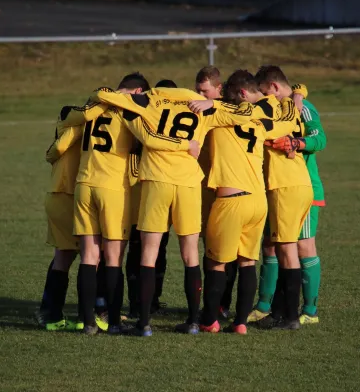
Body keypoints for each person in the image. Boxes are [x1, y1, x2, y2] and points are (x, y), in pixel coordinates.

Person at [93, 85, 269, 336]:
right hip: (188, 183)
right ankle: (194, 322)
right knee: (190, 256)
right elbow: (245, 113)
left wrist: (125, 94)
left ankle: (143, 324)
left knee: (149, 252)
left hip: (157, 180)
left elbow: (101, 95)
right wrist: (212, 103)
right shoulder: (200, 106)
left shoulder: (149, 101)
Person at [48, 73, 199, 335]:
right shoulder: (127, 112)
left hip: (84, 185)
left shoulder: (92, 110)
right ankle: (115, 322)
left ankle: (88, 323)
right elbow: (151, 139)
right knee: (113, 258)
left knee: (89, 256)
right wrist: (186, 145)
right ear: (136, 92)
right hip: (113, 188)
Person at [190, 70, 300, 334]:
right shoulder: (260, 121)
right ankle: (240, 323)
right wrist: (297, 95)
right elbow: (287, 122)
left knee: (216, 263)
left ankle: (209, 321)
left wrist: (209, 105)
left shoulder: (215, 116)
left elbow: (194, 138)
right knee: (247, 262)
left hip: (230, 201)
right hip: (258, 201)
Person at [36, 90, 109, 331]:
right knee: (90, 257)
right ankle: (84, 315)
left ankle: (52, 314)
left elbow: (53, 152)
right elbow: (58, 149)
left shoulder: (70, 122)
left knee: (65, 256)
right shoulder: (77, 123)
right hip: (70, 194)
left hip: (59, 193)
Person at [255, 65, 313, 330]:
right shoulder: (291, 108)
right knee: (281, 249)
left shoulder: (268, 112)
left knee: (287, 251)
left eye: (263, 92)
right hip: (300, 184)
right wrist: (299, 93)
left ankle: (291, 317)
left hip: (284, 187)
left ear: (273, 89)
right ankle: (278, 312)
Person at [269, 85, 326, 325]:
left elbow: (319, 139)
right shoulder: (275, 107)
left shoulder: (304, 108)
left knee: (304, 247)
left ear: (273, 87)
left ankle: (310, 311)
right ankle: (267, 306)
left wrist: (296, 143)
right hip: (279, 188)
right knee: (273, 246)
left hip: (304, 188)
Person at [125, 79, 178, 319]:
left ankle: (143, 302)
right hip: (150, 193)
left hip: (142, 193)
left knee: (141, 250)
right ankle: (147, 302)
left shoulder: (147, 115)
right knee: (155, 250)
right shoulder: (154, 120)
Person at [195, 66, 237, 320]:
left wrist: (299, 92)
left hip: (225, 189)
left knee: (227, 250)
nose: (200, 94)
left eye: (205, 90)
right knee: (209, 250)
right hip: (203, 190)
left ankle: (222, 305)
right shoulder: (197, 109)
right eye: (197, 89)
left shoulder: (229, 109)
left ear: (219, 89)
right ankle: (210, 304)